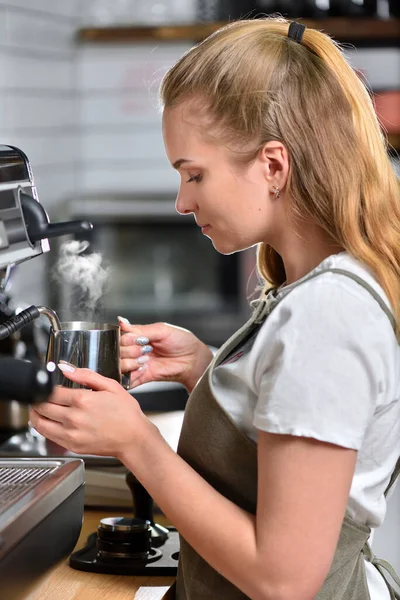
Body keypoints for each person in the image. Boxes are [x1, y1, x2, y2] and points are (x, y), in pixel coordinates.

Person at [29, 17, 400, 600]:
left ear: (273, 166)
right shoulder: (314, 289)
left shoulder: (328, 315)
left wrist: (136, 443)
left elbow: (283, 581)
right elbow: (288, 432)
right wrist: (207, 370)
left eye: (194, 174)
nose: (182, 201)